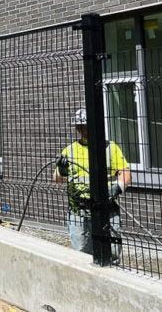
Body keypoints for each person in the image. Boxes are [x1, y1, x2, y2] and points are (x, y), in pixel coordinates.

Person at [53, 108, 131, 261]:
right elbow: (57, 178)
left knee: (112, 251)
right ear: (77, 128)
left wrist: (117, 187)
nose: (84, 130)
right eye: (80, 127)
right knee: (81, 253)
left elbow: (125, 173)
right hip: (78, 211)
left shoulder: (110, 148)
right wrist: (61, 170)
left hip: (106, 208)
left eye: (87, 126)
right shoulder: (70, 151)